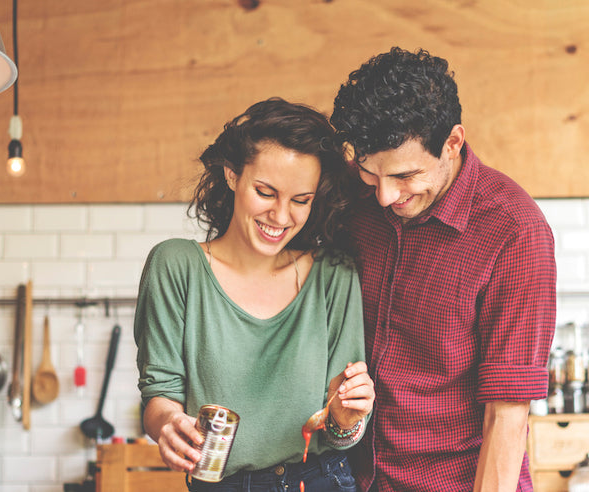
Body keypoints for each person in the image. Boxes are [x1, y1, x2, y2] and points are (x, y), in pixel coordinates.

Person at [329, 47, 557, 491]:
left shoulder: (514, 231)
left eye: (406, 176)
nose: (385, 197)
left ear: (452, 143)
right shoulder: (357, 204)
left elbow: (507, 414)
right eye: (371, 174)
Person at [134, 97, 375, 492]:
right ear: (232, 174)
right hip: (220, 483)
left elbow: (339, 432)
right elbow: (160, 393)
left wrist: (347, 418)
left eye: (301, 200)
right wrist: (168, 424)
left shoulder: (334, 274)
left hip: (320, 480)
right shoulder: (176, 266)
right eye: (266, 192)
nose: (281, 217)